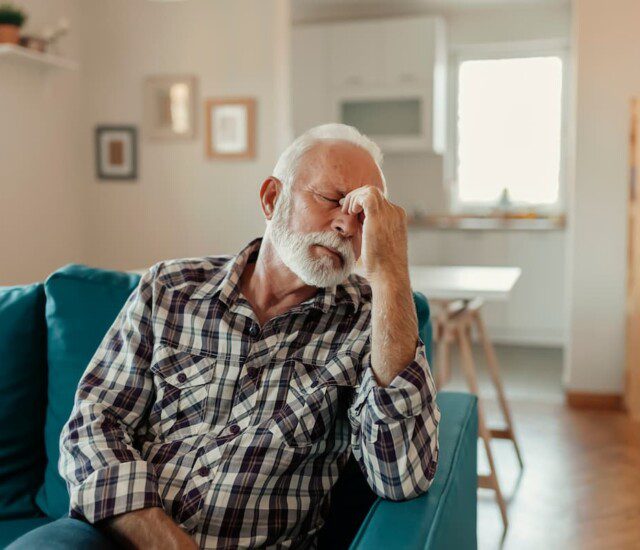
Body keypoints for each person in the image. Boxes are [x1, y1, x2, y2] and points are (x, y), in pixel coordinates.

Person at [9, 123, 440, 549]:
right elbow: (93, 425)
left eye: (364, 217)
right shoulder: (170, 287)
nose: (347, 226)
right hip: (112, 536)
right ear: (273, 198)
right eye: (331, 199)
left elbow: (401, 476)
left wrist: (391, 274)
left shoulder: (368, 322)